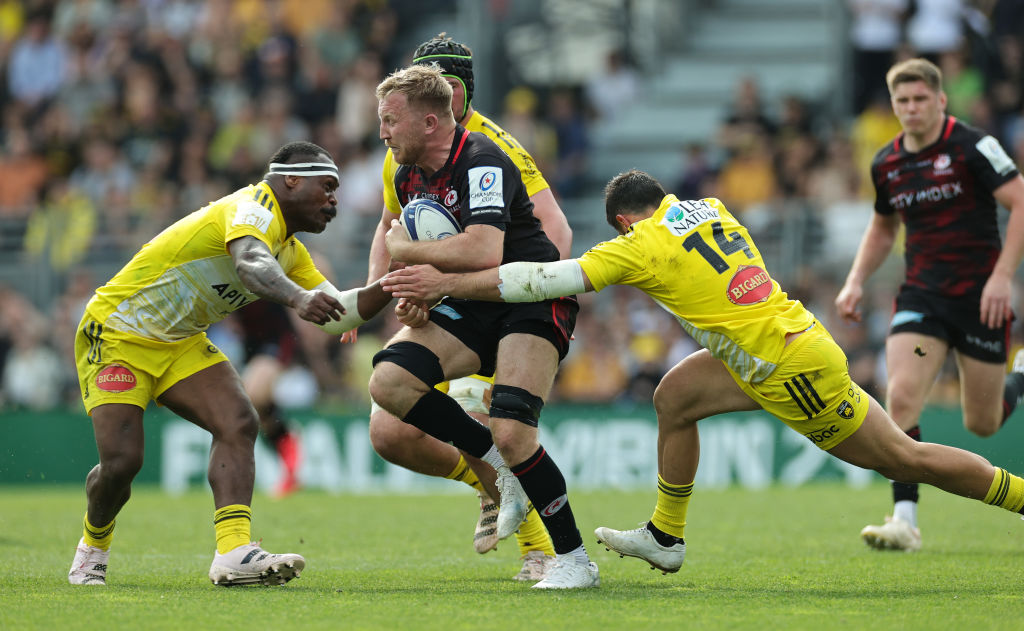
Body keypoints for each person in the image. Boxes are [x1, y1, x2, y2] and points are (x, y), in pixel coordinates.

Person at [380, 169, 1024, 576]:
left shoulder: (642, 243)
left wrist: (448, 283)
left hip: (786, 367)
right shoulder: (709, 207)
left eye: (620, 233)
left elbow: (546, 278)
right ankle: (667, 536)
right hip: (774, 345)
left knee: (903, 460)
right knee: (676, 396)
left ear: (624, 221)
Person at [67, 141, 389, 586]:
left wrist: (399, 283)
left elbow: (339, 310)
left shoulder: (292, 251)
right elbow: (250, 263)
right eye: (328, 187)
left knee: (239, 421)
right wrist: (298, 298)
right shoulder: (252, 207)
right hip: (120, 331)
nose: (335, 199)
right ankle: (92, 546)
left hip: (178, 342)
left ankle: (234, 552)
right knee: (122, 464)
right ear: (291, 180)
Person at [365, 62, 596, 589]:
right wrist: (415, 298)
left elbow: (483, 248)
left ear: (429, 121)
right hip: (474, 302)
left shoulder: (483, 159)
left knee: (514, 430)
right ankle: (499, 470)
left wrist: (407, 254)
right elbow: (439, 263)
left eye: (389, 120)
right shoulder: (408, 174)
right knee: (389, 382)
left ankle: (575, 560)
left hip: (532, 299)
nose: (381, 132)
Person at [835, 57, 1024, 551]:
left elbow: (1021, 201)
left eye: (921, 99)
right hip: (923, 296)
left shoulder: (973, 146)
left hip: (981, 297)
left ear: (941, 100)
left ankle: (1018, 377)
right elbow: (882, 227)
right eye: (903, 101)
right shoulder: (887, 162)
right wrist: (856, 280)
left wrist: (1003, 277)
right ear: (893, 105)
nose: (913, 108)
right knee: (900, 395)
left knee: (981, 422)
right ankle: (905, 519)